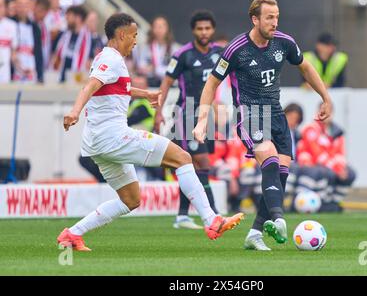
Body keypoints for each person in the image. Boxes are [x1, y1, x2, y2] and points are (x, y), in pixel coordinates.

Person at [57, 13, 244, 251]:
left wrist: (145, 94)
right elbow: (91, 85)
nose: (136, 41)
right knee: (183, 158)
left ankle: (72, 234)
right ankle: (212, 220)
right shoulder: (111, 59)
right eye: (134, 36)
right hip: (113, 137)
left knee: (131, 199)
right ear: (122, 34)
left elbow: (117, 86)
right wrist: (74, 111)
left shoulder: (108, 58)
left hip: (97, 143)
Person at [192, 0, 332, 251]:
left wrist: (325, 97)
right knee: (268, 159)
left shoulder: (284, 43)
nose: (274, 22)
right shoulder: (236, 49)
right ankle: (279, 219)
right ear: (255, 19)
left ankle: (255, 233)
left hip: (276, 114)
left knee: (281, 176)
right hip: (250, 114)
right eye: (269, 17)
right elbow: (212, 83)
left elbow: (306, 68)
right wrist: (202, 120)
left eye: (276, 16)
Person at [155, 10, 222, 230]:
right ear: (193, 30)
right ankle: (213, 214)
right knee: (202, 163)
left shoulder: (219, 54)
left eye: (207, 28)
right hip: (186, 115)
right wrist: (158, 112)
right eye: (200, 28)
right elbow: (165, 84)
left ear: (212, 30)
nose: (204, 32)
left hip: (206, 116)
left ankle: (182, 215)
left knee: (191, 165)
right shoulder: (183, 54)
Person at [295, 103, 356, 212]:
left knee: (350, 174)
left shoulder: (337, 132)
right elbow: (317, 153)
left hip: (329, 166)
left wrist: (340, 168)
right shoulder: (310, 129)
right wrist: (336, 169)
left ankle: (333, 202)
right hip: (310, 165)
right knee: (326, 172)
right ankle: (321, 203)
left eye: (328, 111)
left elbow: (340, 154)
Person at [135, 16, 180, 87]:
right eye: (156, 27)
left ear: (167, 29)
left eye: (161, 27)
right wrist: (147, 68)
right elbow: (141, 65)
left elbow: (173, 68)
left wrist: (156, 69)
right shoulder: (146, 47)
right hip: (150, 82)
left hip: (168, 83)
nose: (159, 30)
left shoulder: (174, 49)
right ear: (152, 29)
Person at [52, 5, 91, 83]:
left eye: (69, 16)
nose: (66, 19)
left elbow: (89, 62)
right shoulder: (64, 35)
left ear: (78, 18)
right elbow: (56, 56)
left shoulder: (89, 39)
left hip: (76, 81)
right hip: (59, 78)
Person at [12, 0, 43, 83]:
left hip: (31, 71)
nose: (22, 8)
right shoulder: (10, 24)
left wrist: (40, 75)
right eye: (20, 5)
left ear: (29, 7)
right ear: (16, 6)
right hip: (14, 72)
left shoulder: (35, 27)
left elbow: (38, 53)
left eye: (25, 5)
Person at [0, 0, 18, 85]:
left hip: (5, 74)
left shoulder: (12, 26)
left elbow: (13, 54)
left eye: (1, 6)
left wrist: (21, 69)